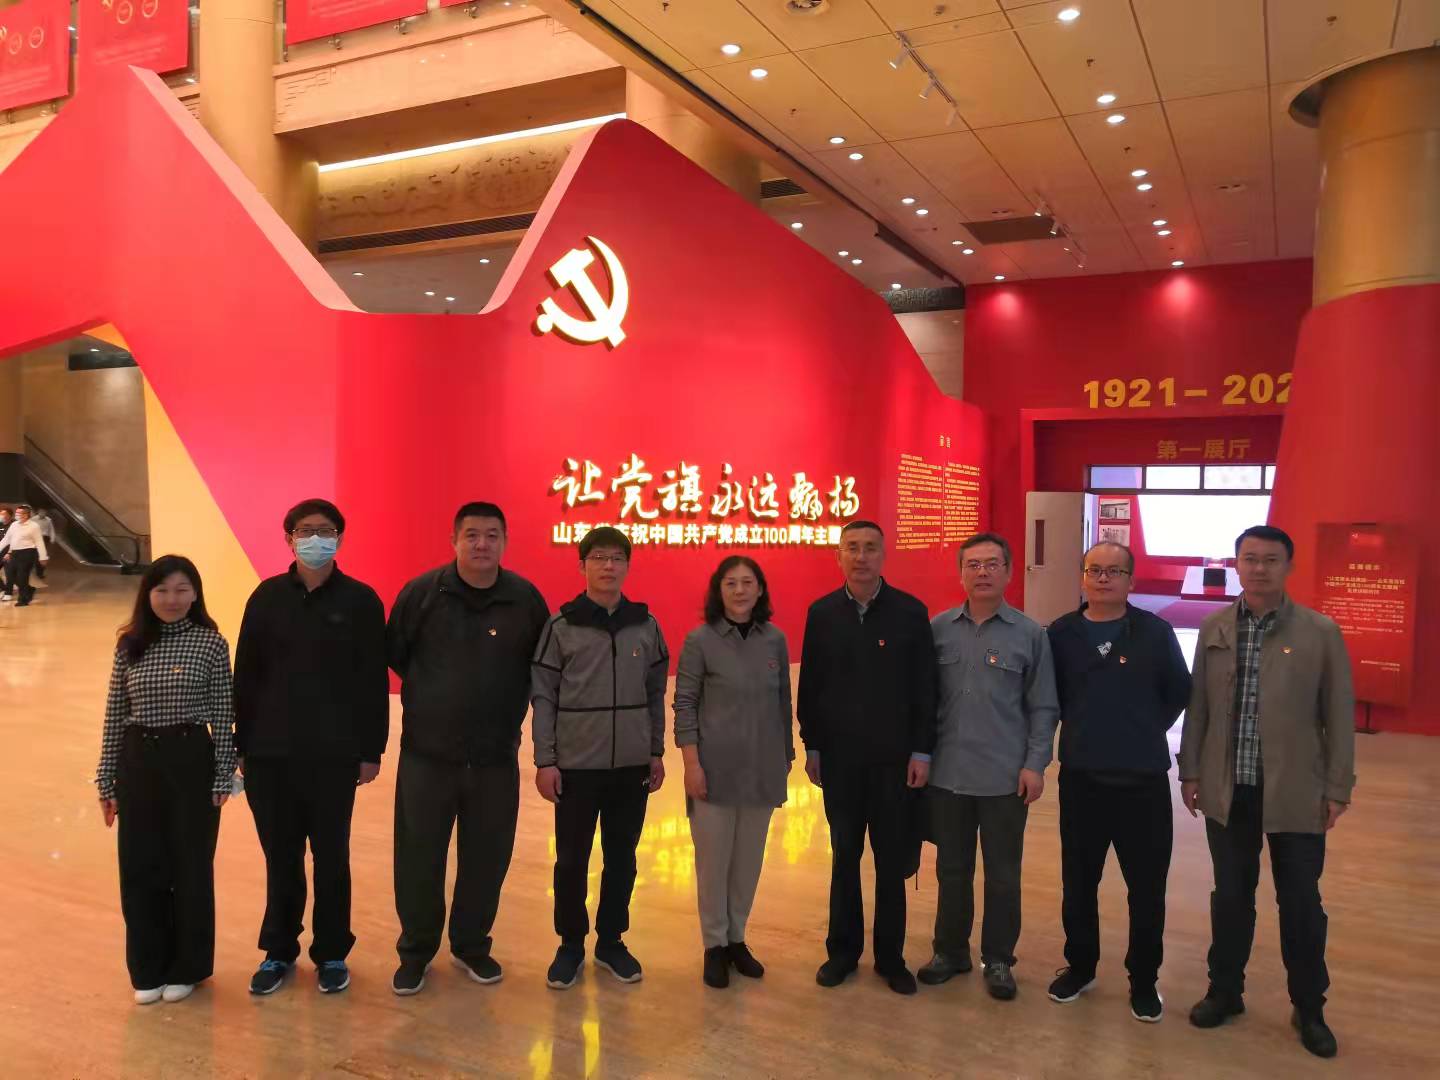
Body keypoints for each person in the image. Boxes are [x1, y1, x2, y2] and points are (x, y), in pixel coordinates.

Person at [1179, 525, 1355, 1059]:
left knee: (1300, 902)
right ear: (1236, 564)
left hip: (1296, 790)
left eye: (1271, 560)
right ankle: (1225, 991)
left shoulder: (1320, 632)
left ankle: (1309, 1006)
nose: (1259, 569)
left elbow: (1338, 715)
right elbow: (1199, 707)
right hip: (1228, 788)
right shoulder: (1214, 626)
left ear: (1288, 566)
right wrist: (1190, 771)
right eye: (1250, 559)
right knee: (1231, 896)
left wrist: (1337, 786)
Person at [386, 502, 549, 995]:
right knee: (419, 858)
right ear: (454, 540)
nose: (482, 544)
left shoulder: (525, 600)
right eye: (472, 535)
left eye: (492, 535)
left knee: (487, 857)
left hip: (495, 758)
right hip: (427, 756)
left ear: (505, 542)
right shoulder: (421, 594)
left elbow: (542, 670)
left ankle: (472, 945)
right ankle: (416, 951)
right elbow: (397, 656)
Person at [233, 498, 389, 996]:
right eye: (305, 530)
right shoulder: (266, 598)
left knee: (331, 858)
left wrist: (372, 749)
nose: (315, 539)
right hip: (270, 754)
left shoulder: (362, 601)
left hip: (334, 754)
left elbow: (373, 680)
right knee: (281, 858)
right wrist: (240, 743)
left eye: (325, 530)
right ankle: (278, 950)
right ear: (289, 538)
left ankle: (332, 953)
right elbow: (246, 674)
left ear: (340, 538)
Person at [1044, 542, 1192, 1022]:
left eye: (1114, 571)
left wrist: (1142, 728)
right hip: (1081, 780)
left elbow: (1178, 691)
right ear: (1083, 577)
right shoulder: (1061, 634)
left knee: (1146, 888)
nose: (1103, 579)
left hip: (1142, 782)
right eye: (1095, 570)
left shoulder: (1154, 631)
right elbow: (1051, 697)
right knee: (1078, 882)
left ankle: (1143, 980)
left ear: (1131, 580)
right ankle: (1081, 966)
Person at [798, 520, 935, 996]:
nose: (861, 556)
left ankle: (891, 958)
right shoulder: (821, 614)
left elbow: (925, 688)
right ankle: (842, 952)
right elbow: (811, 686)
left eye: (870, 548)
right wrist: (812, 745)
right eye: (852, 548)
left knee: (891, 862)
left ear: (883, 555)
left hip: (895, 763)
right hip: (840, 762)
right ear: (838, 555)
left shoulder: (910, 613)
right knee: (845, 858)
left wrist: (922, 750)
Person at [920, 532, 1058, 1001]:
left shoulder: (1030, 634)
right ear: (961, 573)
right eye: (973, 564)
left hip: (1004, 778)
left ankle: (998, 959)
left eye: (992, 564)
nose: (982, 572)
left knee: (1002, 875)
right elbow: (922, 702)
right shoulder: (938, 629)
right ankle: (950, 951)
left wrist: (1035, 764)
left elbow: (1044, 707)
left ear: (1009, 572)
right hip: (948, 776)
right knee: (951, 870)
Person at [93, 555, 236, 1005]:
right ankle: (147, 968)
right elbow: (115, 714)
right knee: (140, 866)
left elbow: (223, 713)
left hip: (191, 759)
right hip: (138, 761)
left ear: (195, 594)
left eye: (181, 590)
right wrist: (106, 780)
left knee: (190, 866)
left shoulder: (210, 643)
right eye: (162, 590)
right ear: (147, 595)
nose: (172, 599)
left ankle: (187, 966)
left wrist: (223, 773)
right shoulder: (130, 644)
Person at [532, 526, 668, 990]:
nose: (608, 566)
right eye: (599, 558)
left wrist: (655, 750)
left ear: (627, 566)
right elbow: (544, 696)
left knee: (622, 858)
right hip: (576, 766)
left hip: (631, 766)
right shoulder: (561, 626)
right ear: (582, 566)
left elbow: (655, 693)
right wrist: (545, 760)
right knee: (571, 860)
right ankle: (570, 943)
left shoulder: (645, 625)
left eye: (617, 558)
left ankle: (612, 941)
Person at [674, 555, 793, 989]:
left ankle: (737, 938)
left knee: (747, 862)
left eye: (747, 582)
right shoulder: (700, 640)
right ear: (718, 590)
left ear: (760, 590)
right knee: (713, 863)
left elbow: (783, 701)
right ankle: (714, 944)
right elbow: (684, 704)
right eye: (730, 583)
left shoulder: (774, 640)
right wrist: (691, 764)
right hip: (714, 769)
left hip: (762, 768)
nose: (740, 590)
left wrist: (786, 756)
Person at [0, 504, 49, 606]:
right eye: (16, 512)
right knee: (11, 575)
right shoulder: (14, 525)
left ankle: (23, 600)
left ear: (26, 515)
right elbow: (6, 539)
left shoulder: (33, 526)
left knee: (22, 576)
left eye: (19, 513)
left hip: (28, 553)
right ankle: (30, 589)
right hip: (14, 553)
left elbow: (39, 542)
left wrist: (43, 557)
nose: (16, 514)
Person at [33, 508, 55, 584]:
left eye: (44, 512)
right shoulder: (33, 519)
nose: (43, 514)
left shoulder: (48, 520)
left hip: (44, 539)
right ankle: (34, 570)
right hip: (35, 538)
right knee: (35, 556)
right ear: (38, 512)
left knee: (43, 556)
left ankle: (40, 573)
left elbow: (51, 530)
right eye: (41, 512)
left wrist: (52, 539)